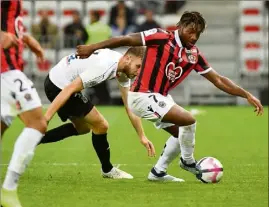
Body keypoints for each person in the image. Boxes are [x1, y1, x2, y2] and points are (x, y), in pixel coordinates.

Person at [76, 11, 264, 182]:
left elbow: (219, 80)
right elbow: (125, 39)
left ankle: (158, 172)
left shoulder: (193, 54)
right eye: (191, 31)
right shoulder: (160, 36)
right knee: (189, 121)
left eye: (198, 33)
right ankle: (188, 162)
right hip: (141, 94)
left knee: (180, 133)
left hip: (160, 97)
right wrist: (92, 47)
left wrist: (245, 94)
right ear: (180, 26)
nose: (194, 37)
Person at [38, 47, 155, 179]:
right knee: (101, 125)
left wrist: (142, 136)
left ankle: (34, 139)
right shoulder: (104, 67)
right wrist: (46, 118)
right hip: (59, 85)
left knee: (83, 128)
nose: (138, 72)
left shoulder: (121, 67)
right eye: (138, 66)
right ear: (128, 58)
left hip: (56, 79)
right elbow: (69, 89)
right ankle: (107, 169)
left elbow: (129, 105)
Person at [1, 0, 47, 207]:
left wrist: (26, 38)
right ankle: (8, 191)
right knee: (37, 123)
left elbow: (11, 24)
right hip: (5, 69)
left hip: (8, 68)